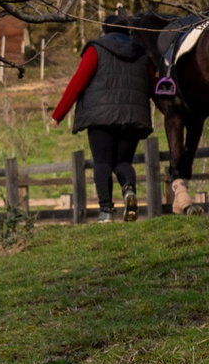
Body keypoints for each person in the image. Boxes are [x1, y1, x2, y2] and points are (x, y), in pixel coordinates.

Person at [49, 15, 157, 221]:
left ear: (104, 30)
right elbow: (153, 86)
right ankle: (129, 190)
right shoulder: (141, 53)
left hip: (101, 118)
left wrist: (58, 114)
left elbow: (77, 82)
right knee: (123, 161)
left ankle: (106, 211)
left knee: (102, 163)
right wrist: (169, 111)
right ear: (127, 31)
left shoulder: (96, 49)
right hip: (132, 118)